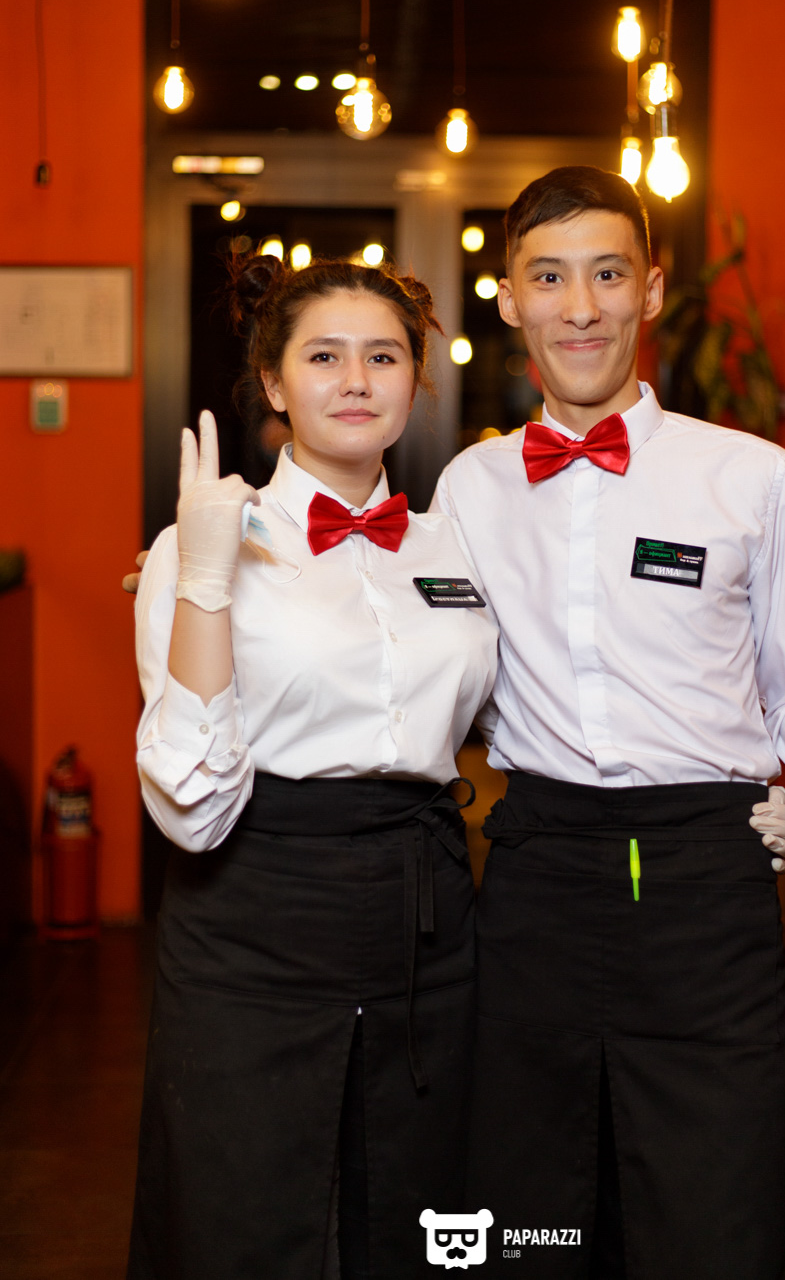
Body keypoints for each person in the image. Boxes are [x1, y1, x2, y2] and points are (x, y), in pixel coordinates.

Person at [429, 167, 785, 1279]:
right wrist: (216, 579)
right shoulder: (471, 488)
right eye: (548, 278)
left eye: (607, 274)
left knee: (713, 1208)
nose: (580, 307)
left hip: (705, 884)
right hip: (537, 875)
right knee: (526, 1212)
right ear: (510, 299)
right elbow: (407, 649)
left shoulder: (750, 477)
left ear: (653, 290)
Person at [128, 252, 498, 1280]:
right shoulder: (198, 545)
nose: (356, 380)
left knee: (420, 1210)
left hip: (426, 912)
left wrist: (718, 787)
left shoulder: (450, 548)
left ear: (415, 380)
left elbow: (520, 711)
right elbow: (192, 811)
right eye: (324, 356)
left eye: (384, 356)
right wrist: (204, 579)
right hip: (256, 904)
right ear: (275, 382)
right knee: (243, 1213)